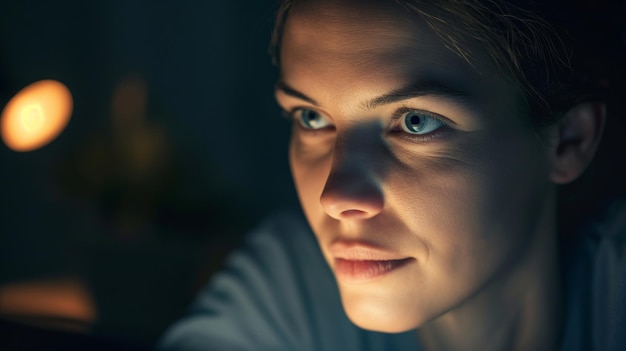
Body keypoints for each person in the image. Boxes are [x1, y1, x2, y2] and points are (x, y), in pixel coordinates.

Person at [159, 0, 626, 350]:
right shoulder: (291, 284)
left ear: (568, 141)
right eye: (312, 119)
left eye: (416, 122)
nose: (336, 197)